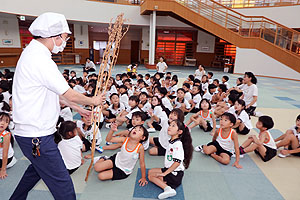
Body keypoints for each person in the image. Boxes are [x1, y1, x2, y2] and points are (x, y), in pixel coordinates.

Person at [10, 12, 105, 200]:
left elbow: (52, 94)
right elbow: (68, 93)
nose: (65, 41)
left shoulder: (32, 52)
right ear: (55, 37)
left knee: (36, 170)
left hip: (30, 134)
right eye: (64, 37)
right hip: (37, 136)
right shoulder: (41, 60)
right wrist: (93, 101)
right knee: (63, 186)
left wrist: (78, 109)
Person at [148, 120, 193, 199]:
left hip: (175, 173)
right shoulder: (172, 141)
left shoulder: (177, 144)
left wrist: (164, 174)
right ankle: (166, 182)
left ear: (179, 132)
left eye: (173, 126)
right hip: (169, 169)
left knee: (151, 177)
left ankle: (168, 189)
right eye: (170, 125)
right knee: (150, 171)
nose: (169, 127)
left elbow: (177, 162)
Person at [0, 112, 17, 179]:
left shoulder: (5, 135)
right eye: (0, 120)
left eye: (6, 122)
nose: (3, 123)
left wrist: (3, 170)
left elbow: (5, 154)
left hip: (5, 158)